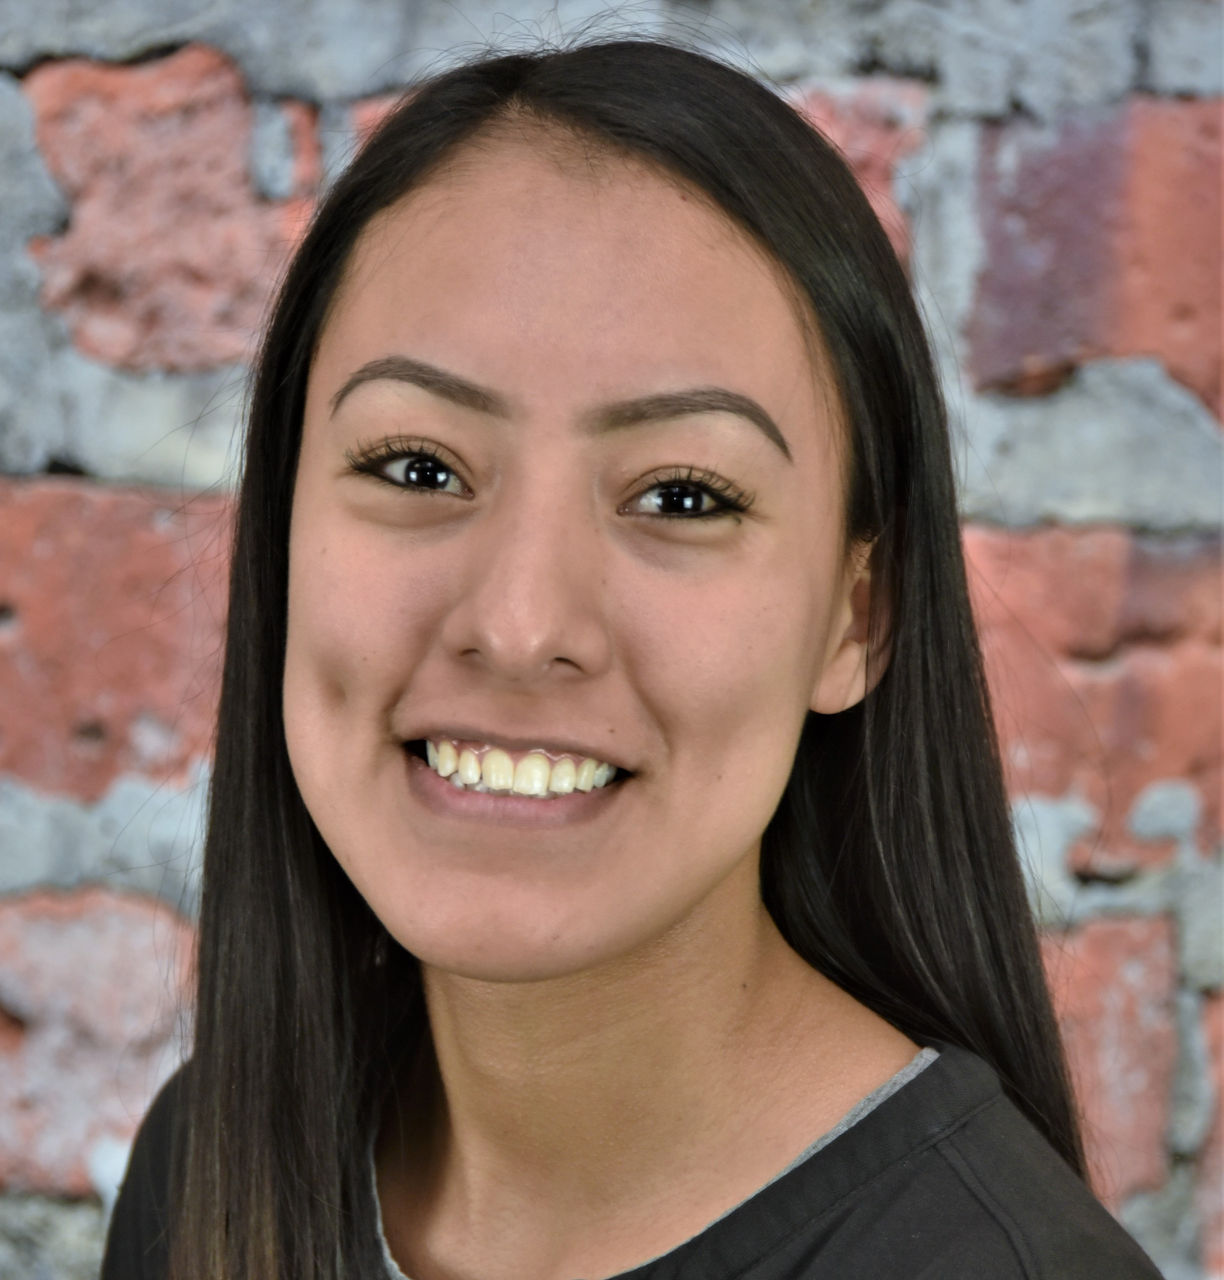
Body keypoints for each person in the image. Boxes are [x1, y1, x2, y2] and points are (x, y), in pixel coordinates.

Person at [100, 37, 1164, 1280]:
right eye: (417, 467)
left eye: (680, 496)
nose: (520, 624)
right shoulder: (210, 1165)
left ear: (855, 617)